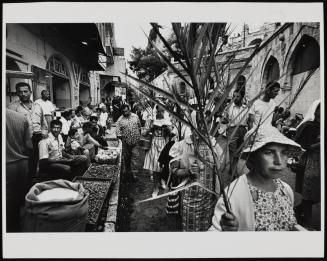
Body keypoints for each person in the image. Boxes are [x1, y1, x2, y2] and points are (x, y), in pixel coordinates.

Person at [209, 125, 302, 231]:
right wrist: (228, 232)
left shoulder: (285, 190)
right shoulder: (234, 194)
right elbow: (215, 231)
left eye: (284, 153)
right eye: (269, 152)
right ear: (251, 158)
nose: (278, 161)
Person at [169, 111, 224, 231]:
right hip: (190, 200)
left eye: (208, 121)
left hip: (208, 200)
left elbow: (219, 172)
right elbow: (173, 170)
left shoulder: (214, 146)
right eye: (200, 122)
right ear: (193, 123)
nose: (205, 125)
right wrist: (187, 171)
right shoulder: (183, 145)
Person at [8, 82, 48, 181]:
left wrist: (45, 131)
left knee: (41, 161)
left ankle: (38, 180)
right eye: (20, 92)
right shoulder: (12, 107)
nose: (23, 94)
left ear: (30, 92)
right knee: (27, 163)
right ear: (17, 93)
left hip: (39, 137)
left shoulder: (37, 106)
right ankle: (28, 184)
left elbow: (44, 122)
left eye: (25, 91)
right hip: (24, 139)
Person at [294, 100, 320, 229]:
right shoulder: (309, 126)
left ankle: (298, 210)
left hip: (320, 163)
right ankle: (308, 223)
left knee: (316, 194)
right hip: (311, 162)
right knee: (309, 193)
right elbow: (305, 146)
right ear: (315, 111)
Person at [6, 109, 33, 232]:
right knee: (19, 202)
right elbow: (29, 146)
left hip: (7, 166)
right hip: (22, 164)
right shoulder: (21, 118)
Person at [143, 106, 172, 197]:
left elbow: (172, 134)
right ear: (156, 111)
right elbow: (144, 133)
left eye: (163, 111)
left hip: (164, 143)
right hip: (154, 143)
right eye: (159, 111)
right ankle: (155, 188)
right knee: (155, 167)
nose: (161, 113)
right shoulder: (151, 120)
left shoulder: (167, 121)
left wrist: (167, 129)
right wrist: (150, 128)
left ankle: (162, 181)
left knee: (164, 166)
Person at [221, 90, 249, 178]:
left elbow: (249, 120)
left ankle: (232, 170)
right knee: (233, 151)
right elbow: (224, 119)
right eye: (234, 96)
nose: (235, 98)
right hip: (232, 129)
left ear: (242, 97)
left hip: (243, 130)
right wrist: (223, 119)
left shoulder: (246, 108)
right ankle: (234, 173)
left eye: (237, 96)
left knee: (239, 151)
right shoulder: (229, 107)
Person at [116, 104, 141, 181]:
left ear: (129, 109)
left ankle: (134, 175)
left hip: (135, 142)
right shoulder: (119, 120)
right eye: (124, 112)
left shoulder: (135, 116)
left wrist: (138, 137)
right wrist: (123, 140)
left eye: (127, 111)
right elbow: (118, 133)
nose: (126, 113)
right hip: (126, 143)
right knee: (126, 159)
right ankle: (126, 174)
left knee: (135, 158)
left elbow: (139, 126)